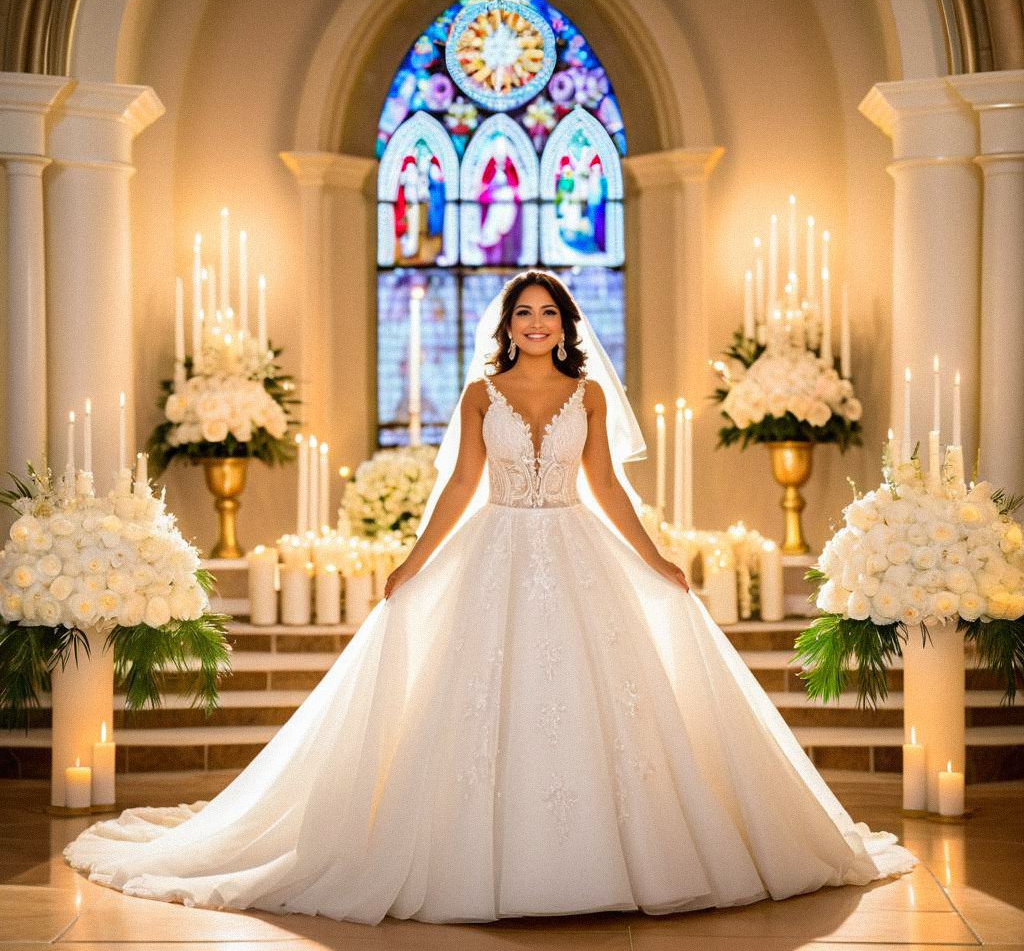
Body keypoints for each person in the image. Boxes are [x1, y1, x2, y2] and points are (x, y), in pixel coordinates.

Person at [64, 270, 917, 925]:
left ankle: (617, 862)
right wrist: (411, 561)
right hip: (495, 546)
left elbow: (608, 489)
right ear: (506, 326)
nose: (536, 324)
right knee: (474, 701)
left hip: (577, 550)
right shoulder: (480, 394)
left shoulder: (585, 395)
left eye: (548, 312)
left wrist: (656, 558)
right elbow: (463, 485)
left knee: (600, 701)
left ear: (566, 325)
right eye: (524, 313)